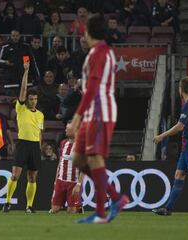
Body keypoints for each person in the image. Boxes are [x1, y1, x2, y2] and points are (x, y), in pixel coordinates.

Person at [66, 14, 129, 224]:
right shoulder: (99, 52)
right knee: (78, 159)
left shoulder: (99, 52)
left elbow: (93, 88)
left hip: (100, 111)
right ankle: (115, 198)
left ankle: (102, 212)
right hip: (93, 111)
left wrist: (76, 118)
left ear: (88, 32)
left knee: (94, 159)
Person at [152, 77, 188, 216]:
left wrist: (161, 136)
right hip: (186, 147)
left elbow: (180, 126)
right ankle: (168, 208)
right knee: (179, 174)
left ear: (181, 89)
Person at [3, 61, 44, 213]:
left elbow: (40, 132)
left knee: (32, 178)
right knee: (15, 176)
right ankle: (7, 203)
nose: (33, 101)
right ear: (27, 100)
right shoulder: (21, 109)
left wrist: (40, 147)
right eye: (31, 99)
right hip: (22, 145)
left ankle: (29, 206)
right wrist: (26, 71)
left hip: (34, 146)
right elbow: (23, 89)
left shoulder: (40, 115)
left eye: (35, 99)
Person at [50, 121, 83, 214]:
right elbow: (60, 162)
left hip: (73, 182)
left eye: (68, 129)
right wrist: (56, 179)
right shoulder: (63, 143)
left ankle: (78, 207)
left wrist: (78, 185)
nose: (65, 130)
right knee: (54, 210)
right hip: (60, 181)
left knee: (71, 212)